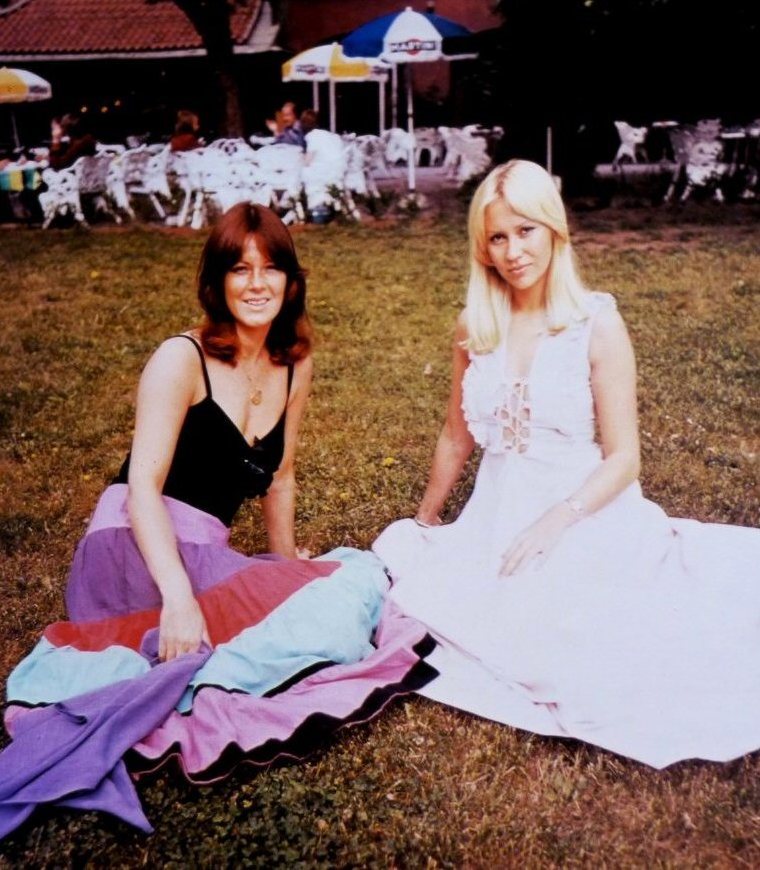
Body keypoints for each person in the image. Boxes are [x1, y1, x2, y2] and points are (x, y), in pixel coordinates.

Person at [0, 203, 436, 838]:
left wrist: (289, 569)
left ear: (290, 281)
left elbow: (279, 475)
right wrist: (177, 598)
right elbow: (143, 489)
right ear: (217, 281)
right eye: (239, 269)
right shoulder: (181, 358)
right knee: (345, 589)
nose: (256, 284)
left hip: (204, 547)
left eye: (270, 269)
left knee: (328, 590)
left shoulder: (294, 363)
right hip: (133, 544)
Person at [373, 159, 760, 770]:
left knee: (585, 650)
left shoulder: (596, 325)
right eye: (497, 237)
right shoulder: (475, 327)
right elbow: (456, 435)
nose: (512, 251)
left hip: (588, 509)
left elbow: (625, 457)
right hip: (496, 516)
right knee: (447, 596)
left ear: (553, 230)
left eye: (525, 232)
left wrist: (560, 516)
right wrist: (426, 520)